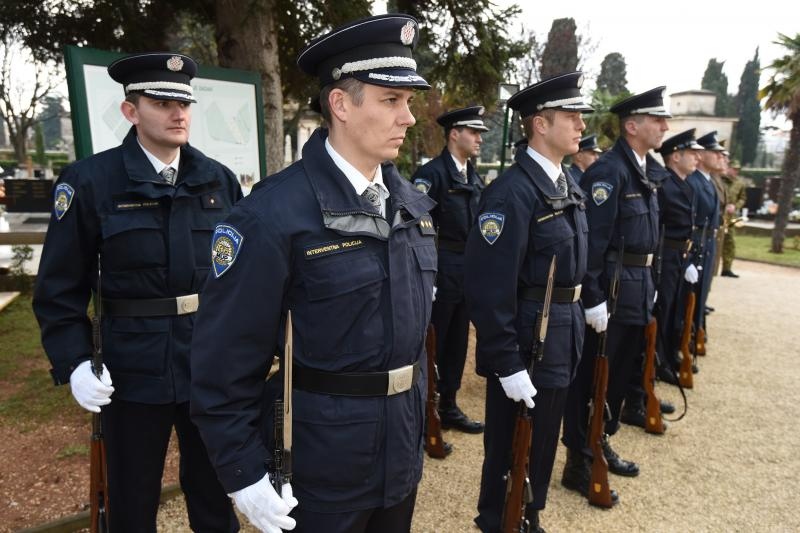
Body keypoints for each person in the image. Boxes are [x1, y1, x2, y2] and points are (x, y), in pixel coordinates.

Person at [189, 14, 435, 533]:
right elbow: (224, 360)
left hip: (400, 452)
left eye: (408, 102)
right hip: (321, 466)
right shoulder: (272, 216)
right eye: (391, 100)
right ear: (341, 104)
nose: (408, 118)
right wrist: (243, 475)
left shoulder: (411, 206)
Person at [32, 52, 241, 532]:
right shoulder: (89, 182)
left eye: (184, 102)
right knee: (132, 497)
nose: (178, 113)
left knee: (214, 491)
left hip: (207, 361)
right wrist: (75, 361)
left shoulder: (218, 181)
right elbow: (58, 289)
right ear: (131, 111)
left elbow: (239, 281)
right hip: (130, 368)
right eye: (162, 101)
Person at [465, 71, 593, 533]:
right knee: (510, 446)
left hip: (562, 333)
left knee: (542, 442)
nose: (581, 125)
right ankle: (499, 520)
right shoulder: (512, 193)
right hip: (528, 341)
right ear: (540, 123)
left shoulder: (567, 183)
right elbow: (488, 285)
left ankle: (528, 517)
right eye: (571, 116)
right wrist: (506, 361)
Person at [561, 87, 671, 501]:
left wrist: (654, 281)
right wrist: (591, 296)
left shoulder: (642, 168)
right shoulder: (609, 172)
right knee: (593, 377)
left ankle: (600, 439)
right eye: (657, 119)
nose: (664, 126)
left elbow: (648, 238)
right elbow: (592, 241)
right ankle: (579, 457)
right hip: (610, 291)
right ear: (632, 125)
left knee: (618, 376)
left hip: (636, 290)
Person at [412, 105, 487, 435]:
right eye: (473, 132)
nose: (479, 139)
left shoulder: (474, 176)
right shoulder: (432, 175)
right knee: (434, 342)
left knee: (458, 342)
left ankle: (449, 403)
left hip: (467, 269)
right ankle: (424, 406)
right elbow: (418, 227)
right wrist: (427, 276)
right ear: (454, 134)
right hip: (440, 267)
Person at [687, 132, 723, 337]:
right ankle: (691, 332)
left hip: (708, 240)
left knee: (703, 291)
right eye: (714, 152)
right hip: (698, 241)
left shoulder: (708, 181)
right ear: (702, 155)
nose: (719, 156)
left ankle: (698, 327)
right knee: (694, 293)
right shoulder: (694, 182)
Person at [720, 158, 747, 277]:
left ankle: (727, 268)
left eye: (737, 169)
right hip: (719, 215)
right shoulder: (720, 180)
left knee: (730, 242)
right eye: (734, 169)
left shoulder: (740, 183)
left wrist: (735, 206)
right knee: (717, 241)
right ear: (728, 168)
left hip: (731, 218)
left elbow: (743, 198)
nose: (736, 171)